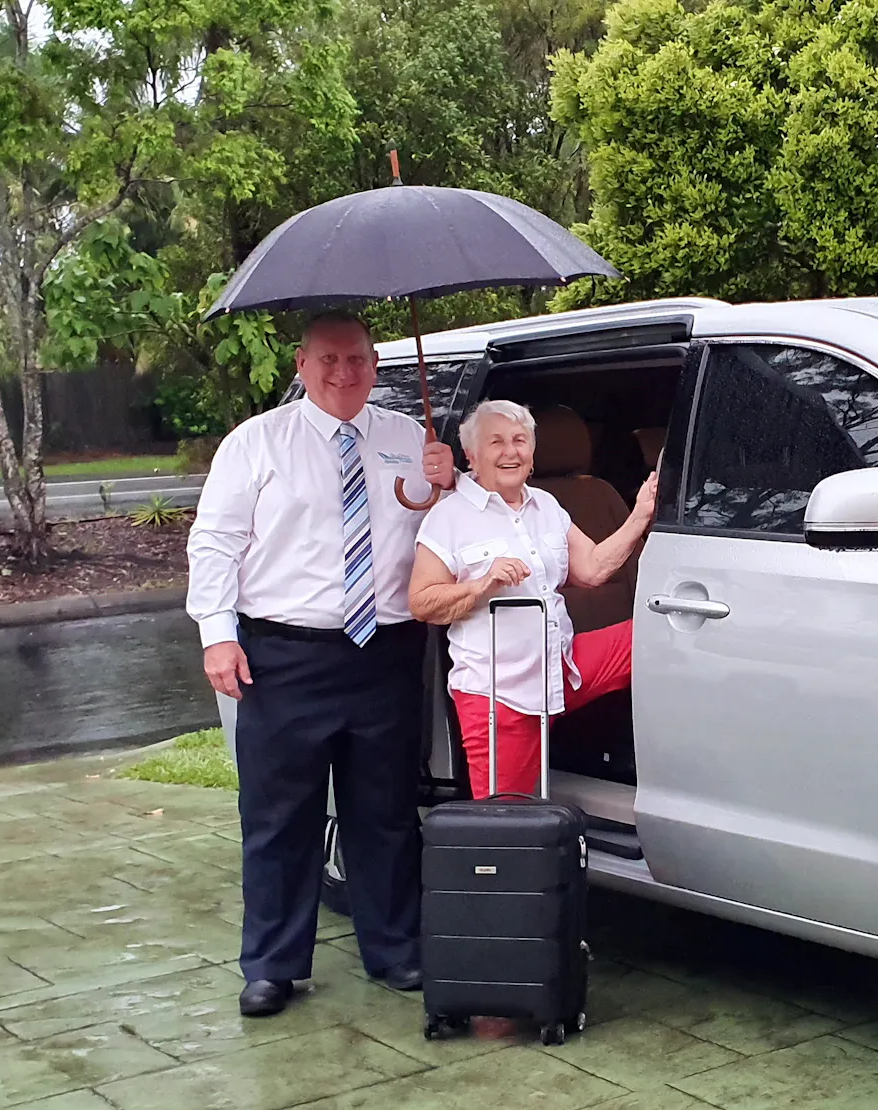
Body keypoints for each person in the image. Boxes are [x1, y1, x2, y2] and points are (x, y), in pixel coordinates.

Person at [186, 311, 459, 1017]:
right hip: (283, 657)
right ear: (301, 364)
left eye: (359, 360)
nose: (346, 374)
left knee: (387, 814)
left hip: (386, 654)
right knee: (280, 819)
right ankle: (273, 966)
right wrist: (218, 633)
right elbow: (214, 543)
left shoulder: (412, 440)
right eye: (330, 361)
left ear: (376, 365)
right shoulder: (256, 444)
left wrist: (450, 483)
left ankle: (396, 951)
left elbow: (449, 534)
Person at [408, 400, 656, 798]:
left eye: (520, 440)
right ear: (471, 455)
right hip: (499, 696)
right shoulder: (449, 517)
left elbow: (592, 568)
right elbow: (422, 602)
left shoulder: (547, 506)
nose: (511, 452)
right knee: (506, 821)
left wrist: (641, 515)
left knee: (660, 638)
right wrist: (483, 584)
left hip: (562, 666)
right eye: (497, 442)